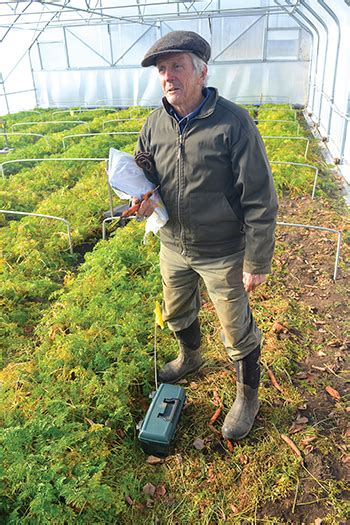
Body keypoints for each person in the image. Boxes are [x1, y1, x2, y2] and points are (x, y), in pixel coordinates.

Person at [135, 30, 278, 441]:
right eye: (162, 70)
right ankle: (190, 356)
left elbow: (260, 197)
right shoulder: (155, 123)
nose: (167, 76)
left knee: (237, 328)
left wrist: (257, 260)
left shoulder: (233, 123)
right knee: (177, 309)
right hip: (174, 243)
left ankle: (247, 396)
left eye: (176, 66)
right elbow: (145, 173)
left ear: (201, 72)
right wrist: (141, 198)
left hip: (222, 251)